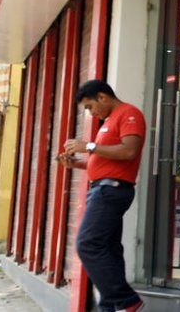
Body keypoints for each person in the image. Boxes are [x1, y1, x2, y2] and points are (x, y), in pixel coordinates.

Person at [58, 80, 146, 312]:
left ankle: (127, 300)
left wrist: (88, 146)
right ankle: (109, 307)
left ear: (102, 97)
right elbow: (105, 161)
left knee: (87, 244)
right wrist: (76, 164)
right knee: (108, 249)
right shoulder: (108, 121)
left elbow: (129, 151)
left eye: (89, 106)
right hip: (103, 188)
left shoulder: (128, 114)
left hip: (111, 190)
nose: (90, 112)